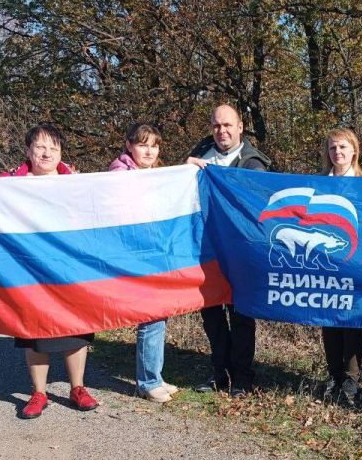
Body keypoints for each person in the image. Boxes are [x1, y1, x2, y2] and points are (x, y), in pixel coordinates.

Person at [0, 124, 99, 419]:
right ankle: (39, 392)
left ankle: (78, 388)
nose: (46, 153)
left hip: (68, 266)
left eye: (53, 147)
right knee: (36, 330)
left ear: (61, 152)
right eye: (40, 147)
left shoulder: (75, 182)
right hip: (25, 266)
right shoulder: (7, 183)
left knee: (77, 326)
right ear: (28, 151)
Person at [187, 104, 272, 398]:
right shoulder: (200, 154)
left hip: (239, 253)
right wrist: (184, 171)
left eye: (227, 125)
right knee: (211, 314)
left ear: (240, 127)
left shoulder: (253, 163)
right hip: (205, 250)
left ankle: (242, 376)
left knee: (240, 315)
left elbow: (258, 208)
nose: (221, 131)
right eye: (216, 126)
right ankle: (219, 372)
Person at [108, 122, 180, 403]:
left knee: (158, 314)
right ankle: (147, 381)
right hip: (134, 255)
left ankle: (155, 376)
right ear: (129, 145)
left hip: (156, 252)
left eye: (154, 145)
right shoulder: (120, 173)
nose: (149, 151)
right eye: (142, 144)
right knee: (151, 314)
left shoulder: (159, 174)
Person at [318, 128, 362, 404]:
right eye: (333, 148)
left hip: (353, 262)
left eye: (343, 148)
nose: (337, 153)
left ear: (354, 151)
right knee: (329, 319)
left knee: (352, 320)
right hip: (327, 262)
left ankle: (351, 378)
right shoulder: (320, 184)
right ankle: (333, 373)